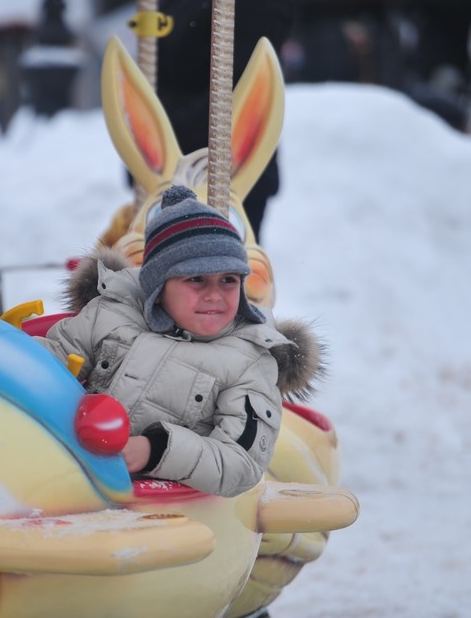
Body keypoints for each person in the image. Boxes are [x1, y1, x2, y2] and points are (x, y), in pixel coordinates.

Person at [37, 186, 323, 497]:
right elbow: (39, 369)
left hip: (161, 510)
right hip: (63, 471)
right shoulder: (111, 313)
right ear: (158, 284)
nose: (214, 294)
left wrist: (155, 450)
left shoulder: (249, 361)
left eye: (228, 280)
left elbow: (241, 463)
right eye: (196, 279)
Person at [155, 0, 294, 242]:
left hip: (227, 164)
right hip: (173, 165)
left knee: (218, 270)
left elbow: (245, 79)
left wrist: (169, 124)